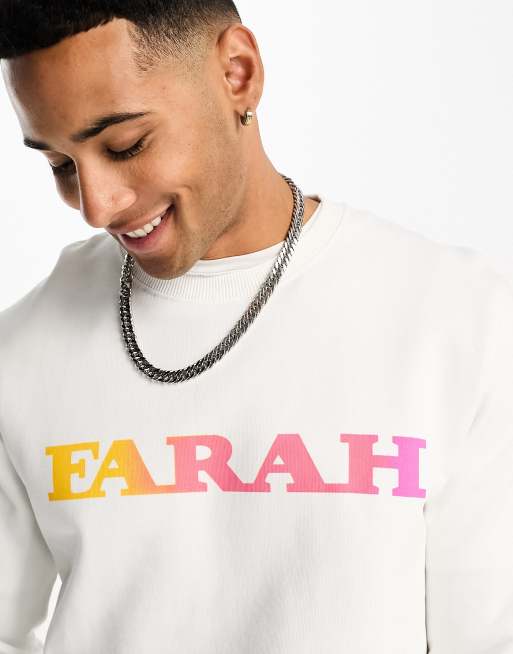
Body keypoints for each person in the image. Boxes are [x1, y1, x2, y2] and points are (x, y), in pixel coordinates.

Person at [0, 2, 511, 653]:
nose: (97, 206)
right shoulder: (22, 352)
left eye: (125, 146)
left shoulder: (459, 319)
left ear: (237, 73)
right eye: (60, 165)